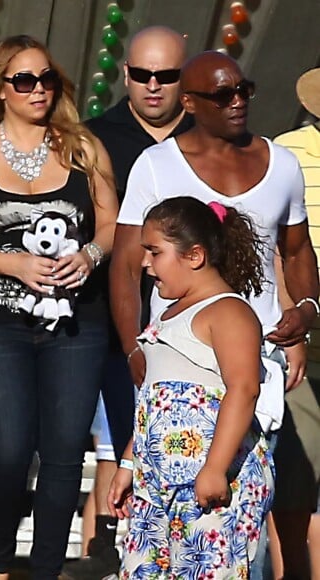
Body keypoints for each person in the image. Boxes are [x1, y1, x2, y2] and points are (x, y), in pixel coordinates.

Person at [109, 50, 320, 580]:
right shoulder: (157, 165)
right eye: (223, 95)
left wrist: (308, 313)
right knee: (162, 535)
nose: (238, 102)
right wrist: (134, 346)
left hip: (259, 359)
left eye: (243, 90)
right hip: (176, 353)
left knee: (239, 506)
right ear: (189, 103)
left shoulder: (282, 164)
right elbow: (126, 266)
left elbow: (296, 253)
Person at [0, 34, 118, 579]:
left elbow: (114, 224)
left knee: (65, 452)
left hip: (78, 322)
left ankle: (43, 571)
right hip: (0, 324)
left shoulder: (83, 148)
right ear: (2, 89)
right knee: (10, 448)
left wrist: (89, 254)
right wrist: (13, 263)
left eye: (46, 79)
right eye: (24, 81)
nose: (38, 90)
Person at [62, 26, 193, 579]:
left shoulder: (208, 139)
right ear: (125, 75)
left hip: (189, 327)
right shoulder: (92, 139)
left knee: (172, 454)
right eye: (142, 75)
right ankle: (106, 554)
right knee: (103, 447)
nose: (154, 86)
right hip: (101, 323)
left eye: (166, 76)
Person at [108, 196, 275, 577]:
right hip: (157, 484)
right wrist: (129, 463)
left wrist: (215, 468)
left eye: (155, 252)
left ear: (195, 255)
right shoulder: (167, 315)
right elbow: (152, 401)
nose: (146, 264)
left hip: (211, 482)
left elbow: (244, 388)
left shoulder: (228, 311)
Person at [273, 66, 320, 580]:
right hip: (299, 340)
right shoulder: (285, 153)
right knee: (293, 483)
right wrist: (295, 324)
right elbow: (275, 247)